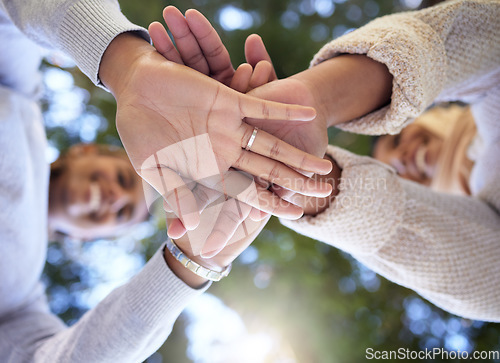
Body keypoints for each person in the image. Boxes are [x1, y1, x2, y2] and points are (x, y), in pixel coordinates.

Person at [0, 1, 317, 361]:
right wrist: (127, 64)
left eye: (121, 214)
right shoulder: (18, 96)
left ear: (87, 238)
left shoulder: (17, 298)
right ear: (84, 151)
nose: (113, 198)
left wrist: (192, 261)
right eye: (122, 176)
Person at [152, 0, 500, 322]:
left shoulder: (488, 107)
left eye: (398, 138)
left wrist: (320, 96)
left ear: (422, 111)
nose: (404, 160)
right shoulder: (476, 231)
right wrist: (298, 179)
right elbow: (481, 273)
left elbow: (480, 41)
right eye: (396, 172)